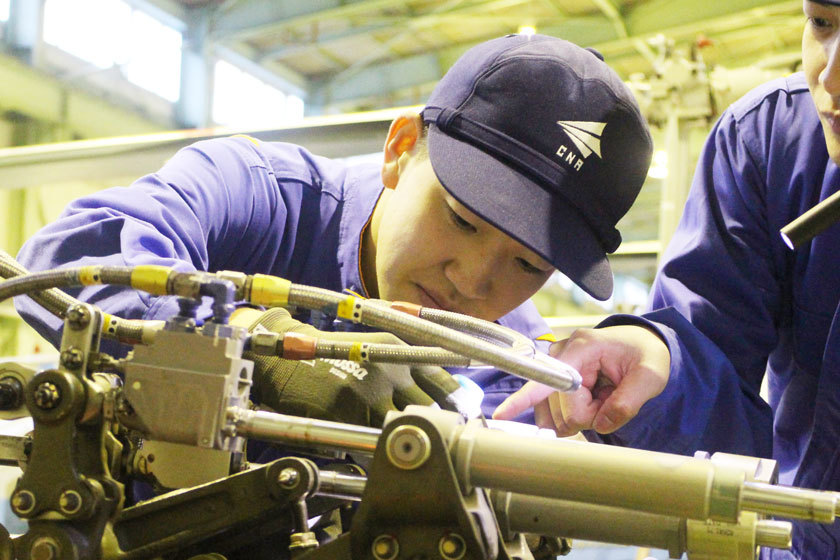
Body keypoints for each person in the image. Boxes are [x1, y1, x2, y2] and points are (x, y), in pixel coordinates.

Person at [15, 33, 652, 429]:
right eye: (461, 220)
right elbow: (69, 258)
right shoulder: (255, 194)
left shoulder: (504, 362)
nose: (471, 282)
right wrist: (252, 347)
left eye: (527, 265)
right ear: (401, 148)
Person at [494, 2, 840, 558]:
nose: (830, 75)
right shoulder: (771, 145)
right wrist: (654, 357)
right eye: (822, 24)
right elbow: (713, 355)